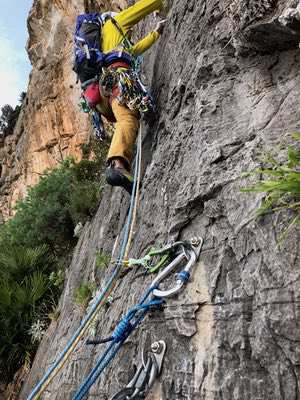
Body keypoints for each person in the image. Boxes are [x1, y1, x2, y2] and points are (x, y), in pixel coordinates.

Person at [82, 0, 166, 194]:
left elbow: (134, 50)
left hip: (104, 95)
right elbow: (145, 6)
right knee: (127, 119)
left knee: (126, 118)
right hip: (118, 81)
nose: (128, 33)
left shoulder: (105, 47)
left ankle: (120, 166)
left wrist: (156, 32)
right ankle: (118, 166)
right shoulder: (115, 23)